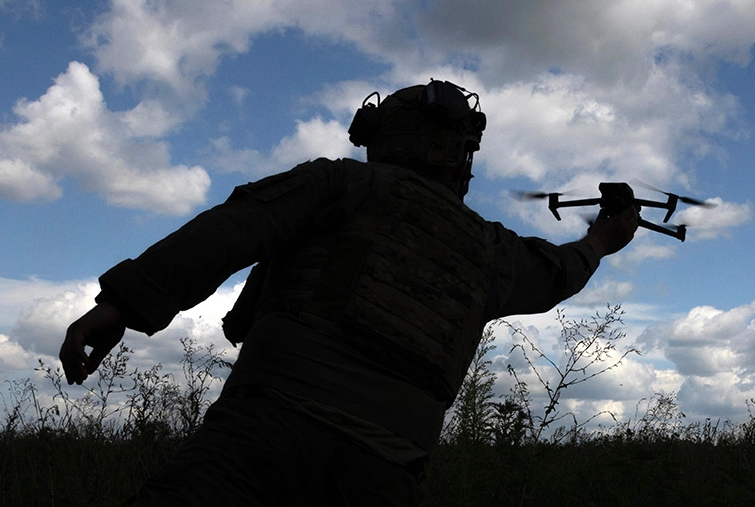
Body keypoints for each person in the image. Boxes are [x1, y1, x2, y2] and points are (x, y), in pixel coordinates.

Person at [59, 80, 639, 506]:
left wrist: (120, 307)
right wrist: (604, 238)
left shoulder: (340, 184)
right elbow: (561, 271)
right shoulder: (491, 250)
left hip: (260, 440)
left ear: (383, 137)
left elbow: (231, 230)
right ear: (462, 153)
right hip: (386, 472)